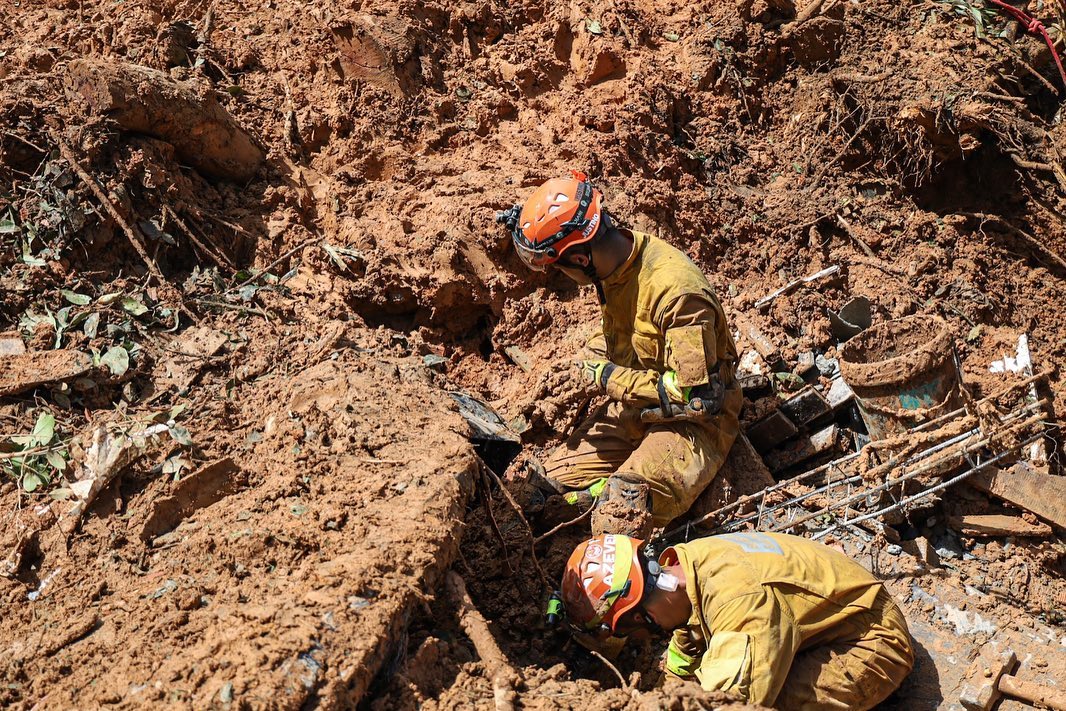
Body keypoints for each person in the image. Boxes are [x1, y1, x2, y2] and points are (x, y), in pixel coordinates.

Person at [496, 171, 741, 537]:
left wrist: (606, 377)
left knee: (617, 517)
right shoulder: (614, 267)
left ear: (579, 259)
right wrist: (582, 367)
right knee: (540, 496)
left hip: (693, 425)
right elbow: (620, 336)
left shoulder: (675, 294)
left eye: (559, 268)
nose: (560, 278)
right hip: (635, 411)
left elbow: (697, 396)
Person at [559, 532, 914, 710]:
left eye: (626, 631)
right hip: (826, 610)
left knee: (766, 702)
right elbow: (687, 638)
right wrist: (669, 690)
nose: (636, 639)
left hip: (871, 641)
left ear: (639, 615)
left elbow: (729, 704)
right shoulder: (685, 571)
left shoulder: (739, 604)